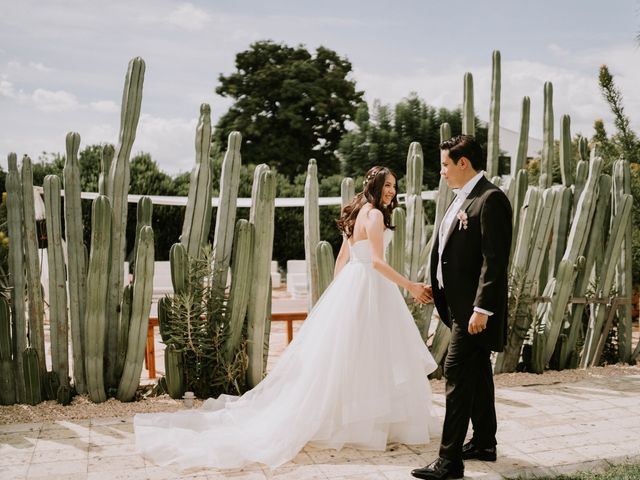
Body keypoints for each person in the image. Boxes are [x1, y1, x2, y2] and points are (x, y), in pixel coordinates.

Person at [135, 166, 439, 470]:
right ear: (374, 186)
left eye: (394, 186)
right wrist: (410, 286)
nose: (392, 191)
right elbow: (374, 261)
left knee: (358, 355)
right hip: (369, 285)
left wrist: (337, 295)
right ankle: (366, 423)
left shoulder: (361, 212)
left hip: (357, 286)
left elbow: (343, 258)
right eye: (387, 185)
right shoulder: (373, 215)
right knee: (369, 353)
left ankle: (360, 421)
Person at [411, 135, 512, 480]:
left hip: (473, 311)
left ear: (463, 163)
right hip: (456, 307)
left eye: (444, 164)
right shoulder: (460, 200)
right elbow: (453, 255)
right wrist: (437, 287)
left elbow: (494, 260)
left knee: (456, 374)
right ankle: (484, 443)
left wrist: (482, 309)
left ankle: (449, 462)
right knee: (478, 371)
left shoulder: (490, 199)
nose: (441, 172)